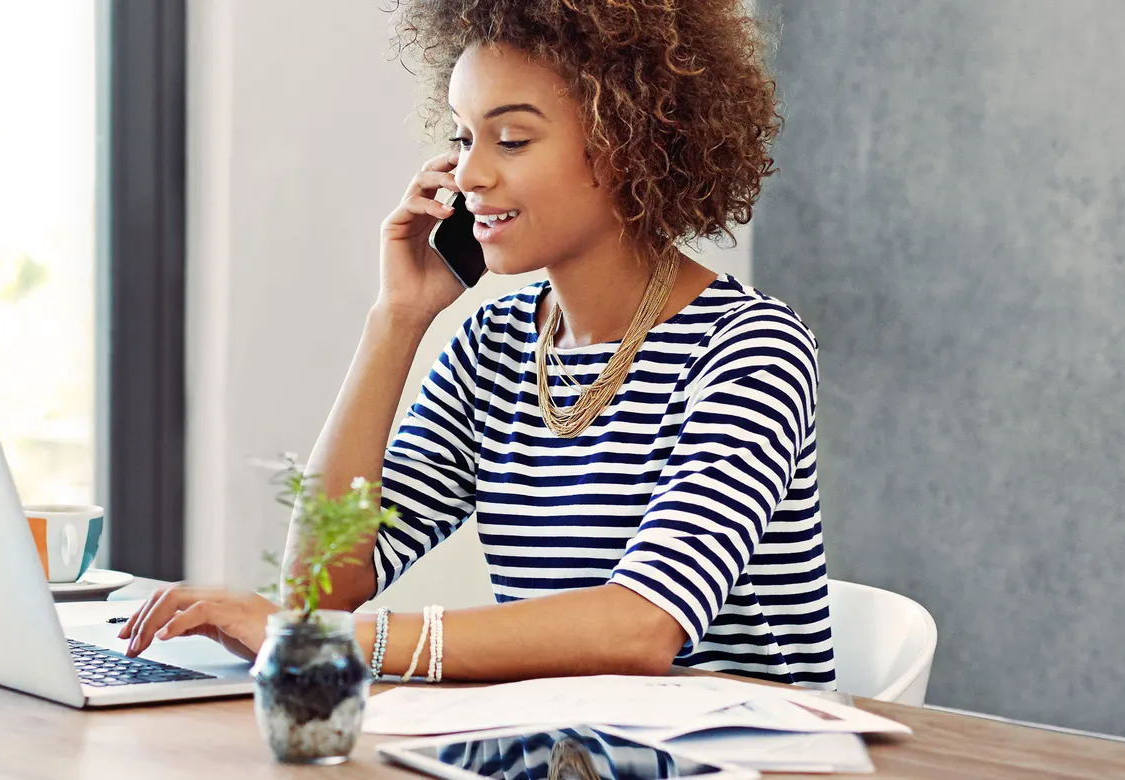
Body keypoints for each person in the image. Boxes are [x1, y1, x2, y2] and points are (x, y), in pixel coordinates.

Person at [120, 0, 834, 688]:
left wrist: (330, 640)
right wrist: (395, 320)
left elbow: (639, 628)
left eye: (512, 139)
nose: (467, 175)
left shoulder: (750, 350)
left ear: (631, 141)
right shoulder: (493, 347)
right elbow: (320, 594)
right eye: (463, 137)